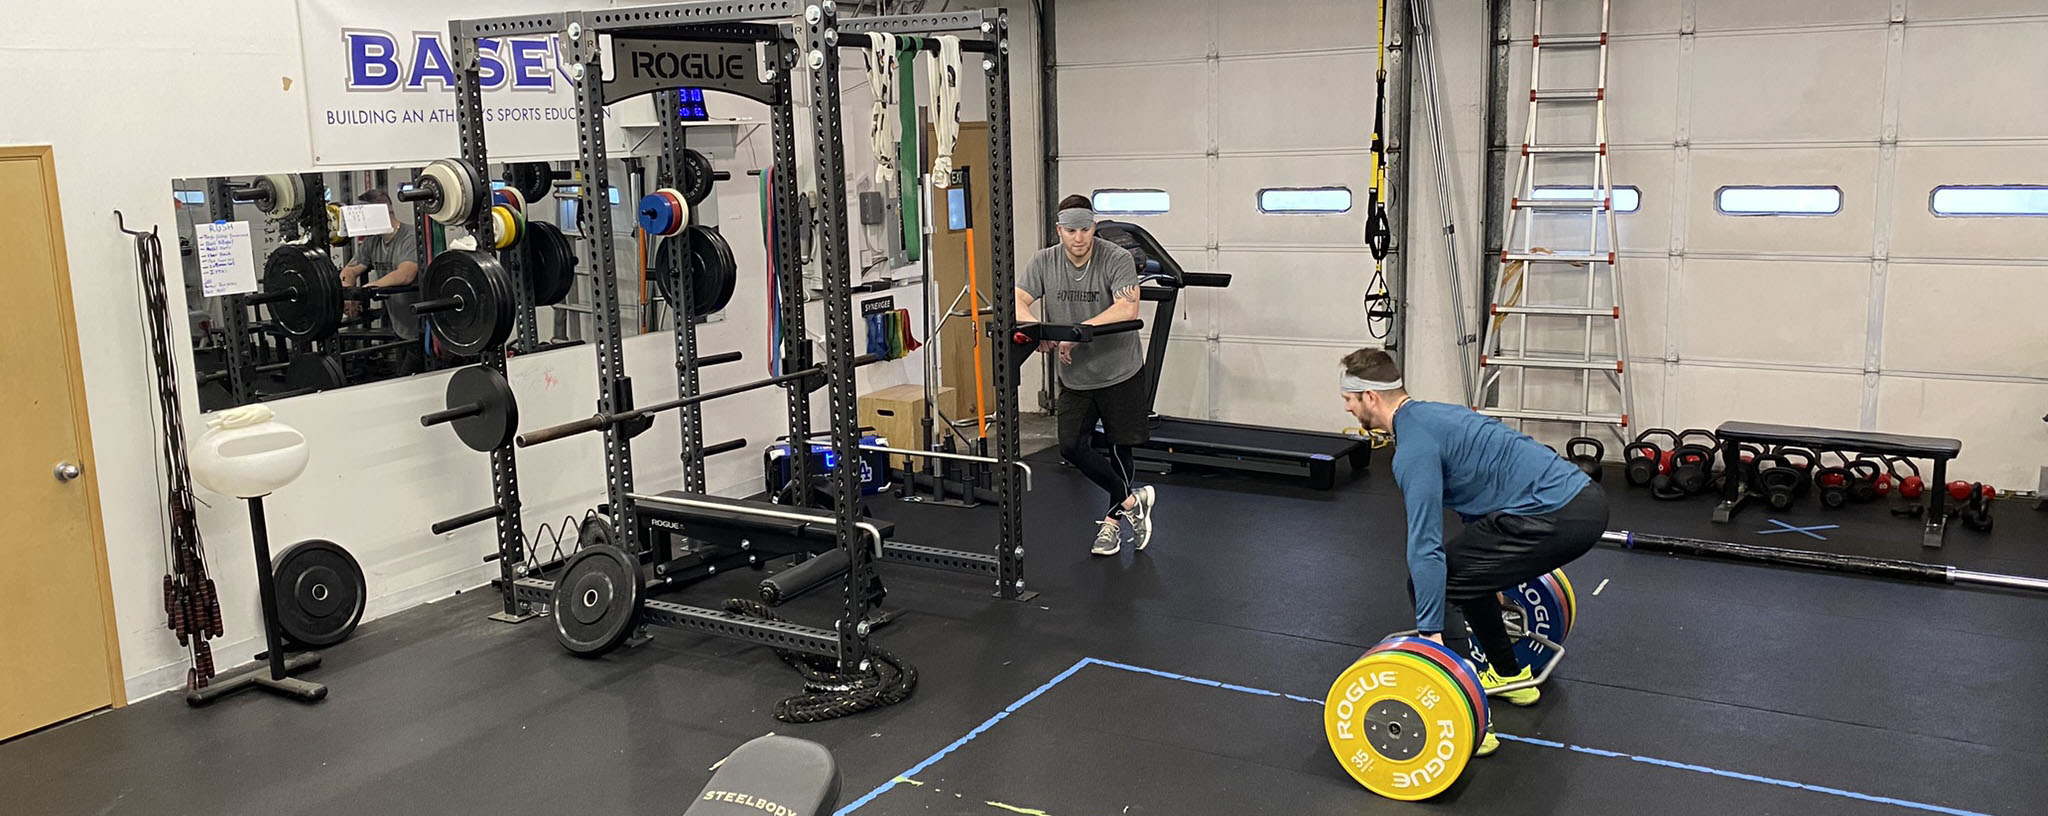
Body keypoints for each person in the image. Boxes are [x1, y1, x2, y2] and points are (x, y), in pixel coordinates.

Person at [1338, 347, 1608, 756]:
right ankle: (1508, 676)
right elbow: (1479, 501)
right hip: (1581, 499)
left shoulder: (1413, 449)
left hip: (1556, 514)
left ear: (1370, 398)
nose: (1347, 409)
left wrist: (1432, 635)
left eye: (1349, 400)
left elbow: (1425, 547)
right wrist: (1493, 575)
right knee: (1465, 573)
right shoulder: (1434, 415)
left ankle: (1467, 712)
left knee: (1439, 581)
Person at [1015, 195, 1157, 556]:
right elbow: (1016, 299)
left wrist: (1075, 332)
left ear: (1094, 227)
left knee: (1118, 447)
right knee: (1071, 446)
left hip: (1119, 370)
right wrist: (1039, 330)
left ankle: (1111, 525)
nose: (1078, 238)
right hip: (1076, 377)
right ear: (1059, 230)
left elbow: (1128, 305)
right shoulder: (1044, 261)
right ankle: (1131, 503)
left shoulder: (1116, 257)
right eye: (1071, 230)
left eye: (1085, 229)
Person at [338, 189, 423, 372]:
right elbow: (349, 271)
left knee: (408, 382)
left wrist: (368, 290)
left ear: (381, 212)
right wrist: (349, 297)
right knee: (404, 383)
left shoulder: (410, 237)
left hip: (425, 330)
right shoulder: (372, 242)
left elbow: (405, 275)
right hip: (401, 329)